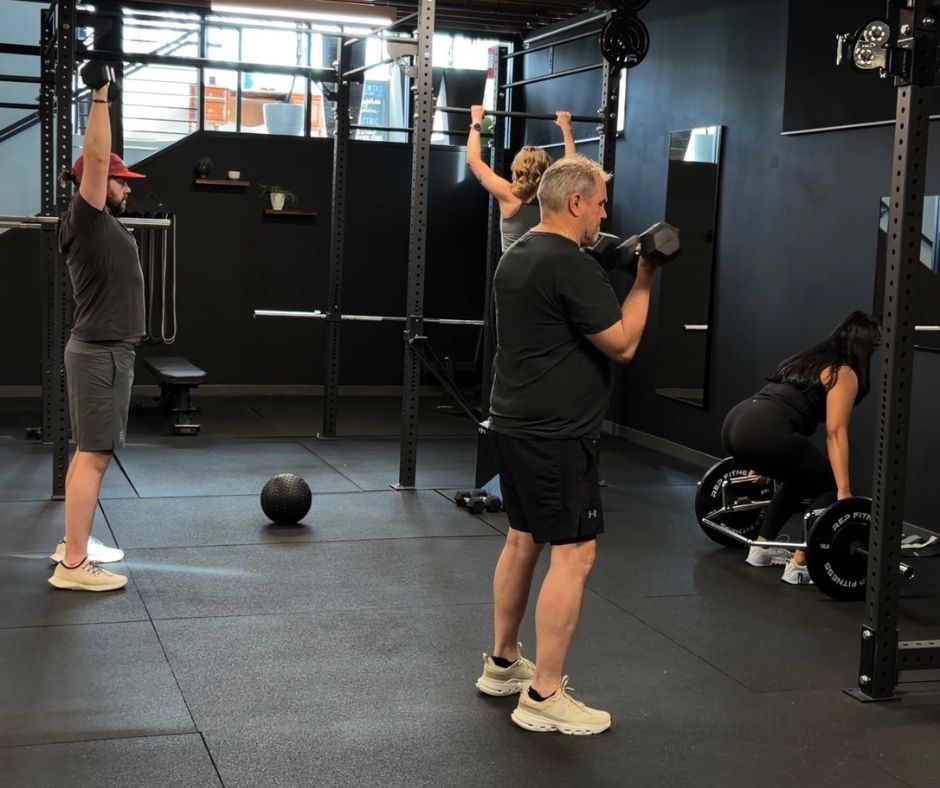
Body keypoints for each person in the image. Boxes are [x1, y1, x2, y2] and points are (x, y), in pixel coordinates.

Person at [475, 155, 660, 735]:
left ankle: (503, 663)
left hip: (513, 422)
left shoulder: (519, 254)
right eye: (600, 203)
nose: (604, 213)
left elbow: (569, 287)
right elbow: (623, 344)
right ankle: (544, 694)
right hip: (557, 433)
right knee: (574, 554)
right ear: (576, 202)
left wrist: (608, 253)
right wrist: (646, 278)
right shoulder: (570, 266)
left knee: (523, 537)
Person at [48, 74, 146, 591]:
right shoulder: (85, 217)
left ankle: (73, 542)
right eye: (120, 179)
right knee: (95, 455)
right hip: (100, 353)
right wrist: (101, 98)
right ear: (95, 183)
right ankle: (74, 567)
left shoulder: (105, 224)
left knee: (90, 450)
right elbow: (94, 150)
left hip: (108, 353)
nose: (126, 186)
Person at [720, 311, 881, 584]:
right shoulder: (843, 372)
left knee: (800, 477)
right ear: (865, 348)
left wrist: (763, 459)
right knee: (828, 482)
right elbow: (836, 431)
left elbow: (778, 407)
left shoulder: (807, 361)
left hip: (737, 424)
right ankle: (801, 564)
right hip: (764, 431)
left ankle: (761, 549)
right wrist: (843, 492)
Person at [465, 104, 575, 251]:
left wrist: (476, 121)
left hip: (514, 271)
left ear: (516, 169)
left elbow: (473, 160)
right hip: (545, 270)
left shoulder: (509, 195)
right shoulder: (553, 197)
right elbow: (571, 166)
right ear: (547, 168)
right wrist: (566, 128)